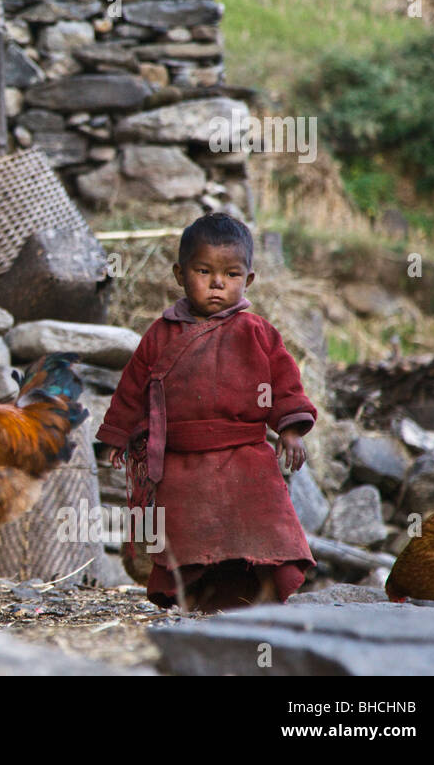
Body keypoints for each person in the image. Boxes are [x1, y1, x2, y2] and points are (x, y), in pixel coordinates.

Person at [96, 212, 316, 612]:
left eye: (231, 274)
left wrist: (290, 430)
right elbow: (132, 391)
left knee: (263, 531)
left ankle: (261, 597)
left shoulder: (258, 332)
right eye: (204, 270)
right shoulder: (160, 333)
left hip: (245, 456)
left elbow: (286, 385)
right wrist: (116, 437)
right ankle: (197, 600)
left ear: (248, 280)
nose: (218, 283)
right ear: (180, 274)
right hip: (182, 462)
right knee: (190, 540)